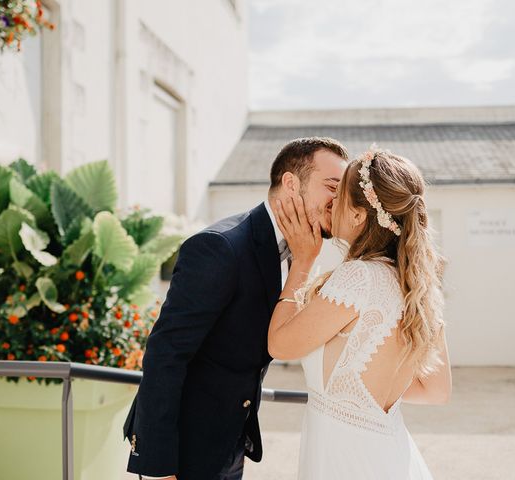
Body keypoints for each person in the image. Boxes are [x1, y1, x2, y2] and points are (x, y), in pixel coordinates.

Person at [123, 137, 349, 480]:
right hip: (182, 451)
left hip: (230, 442)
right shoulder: (220, 247)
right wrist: (158, 467)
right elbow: (165, 354)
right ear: (291, 183)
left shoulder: (302, 252)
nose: (340, 200)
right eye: (332, 186)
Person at [268, 146, 451, 479]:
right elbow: (436, 390)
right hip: (388, 449)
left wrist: (303, 262)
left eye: (339, 196)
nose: (331, 203)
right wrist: (359, 393)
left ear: (358, 216)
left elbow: (280, 345)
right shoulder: (417, 284)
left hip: (345, 458)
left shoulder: (360, 277)